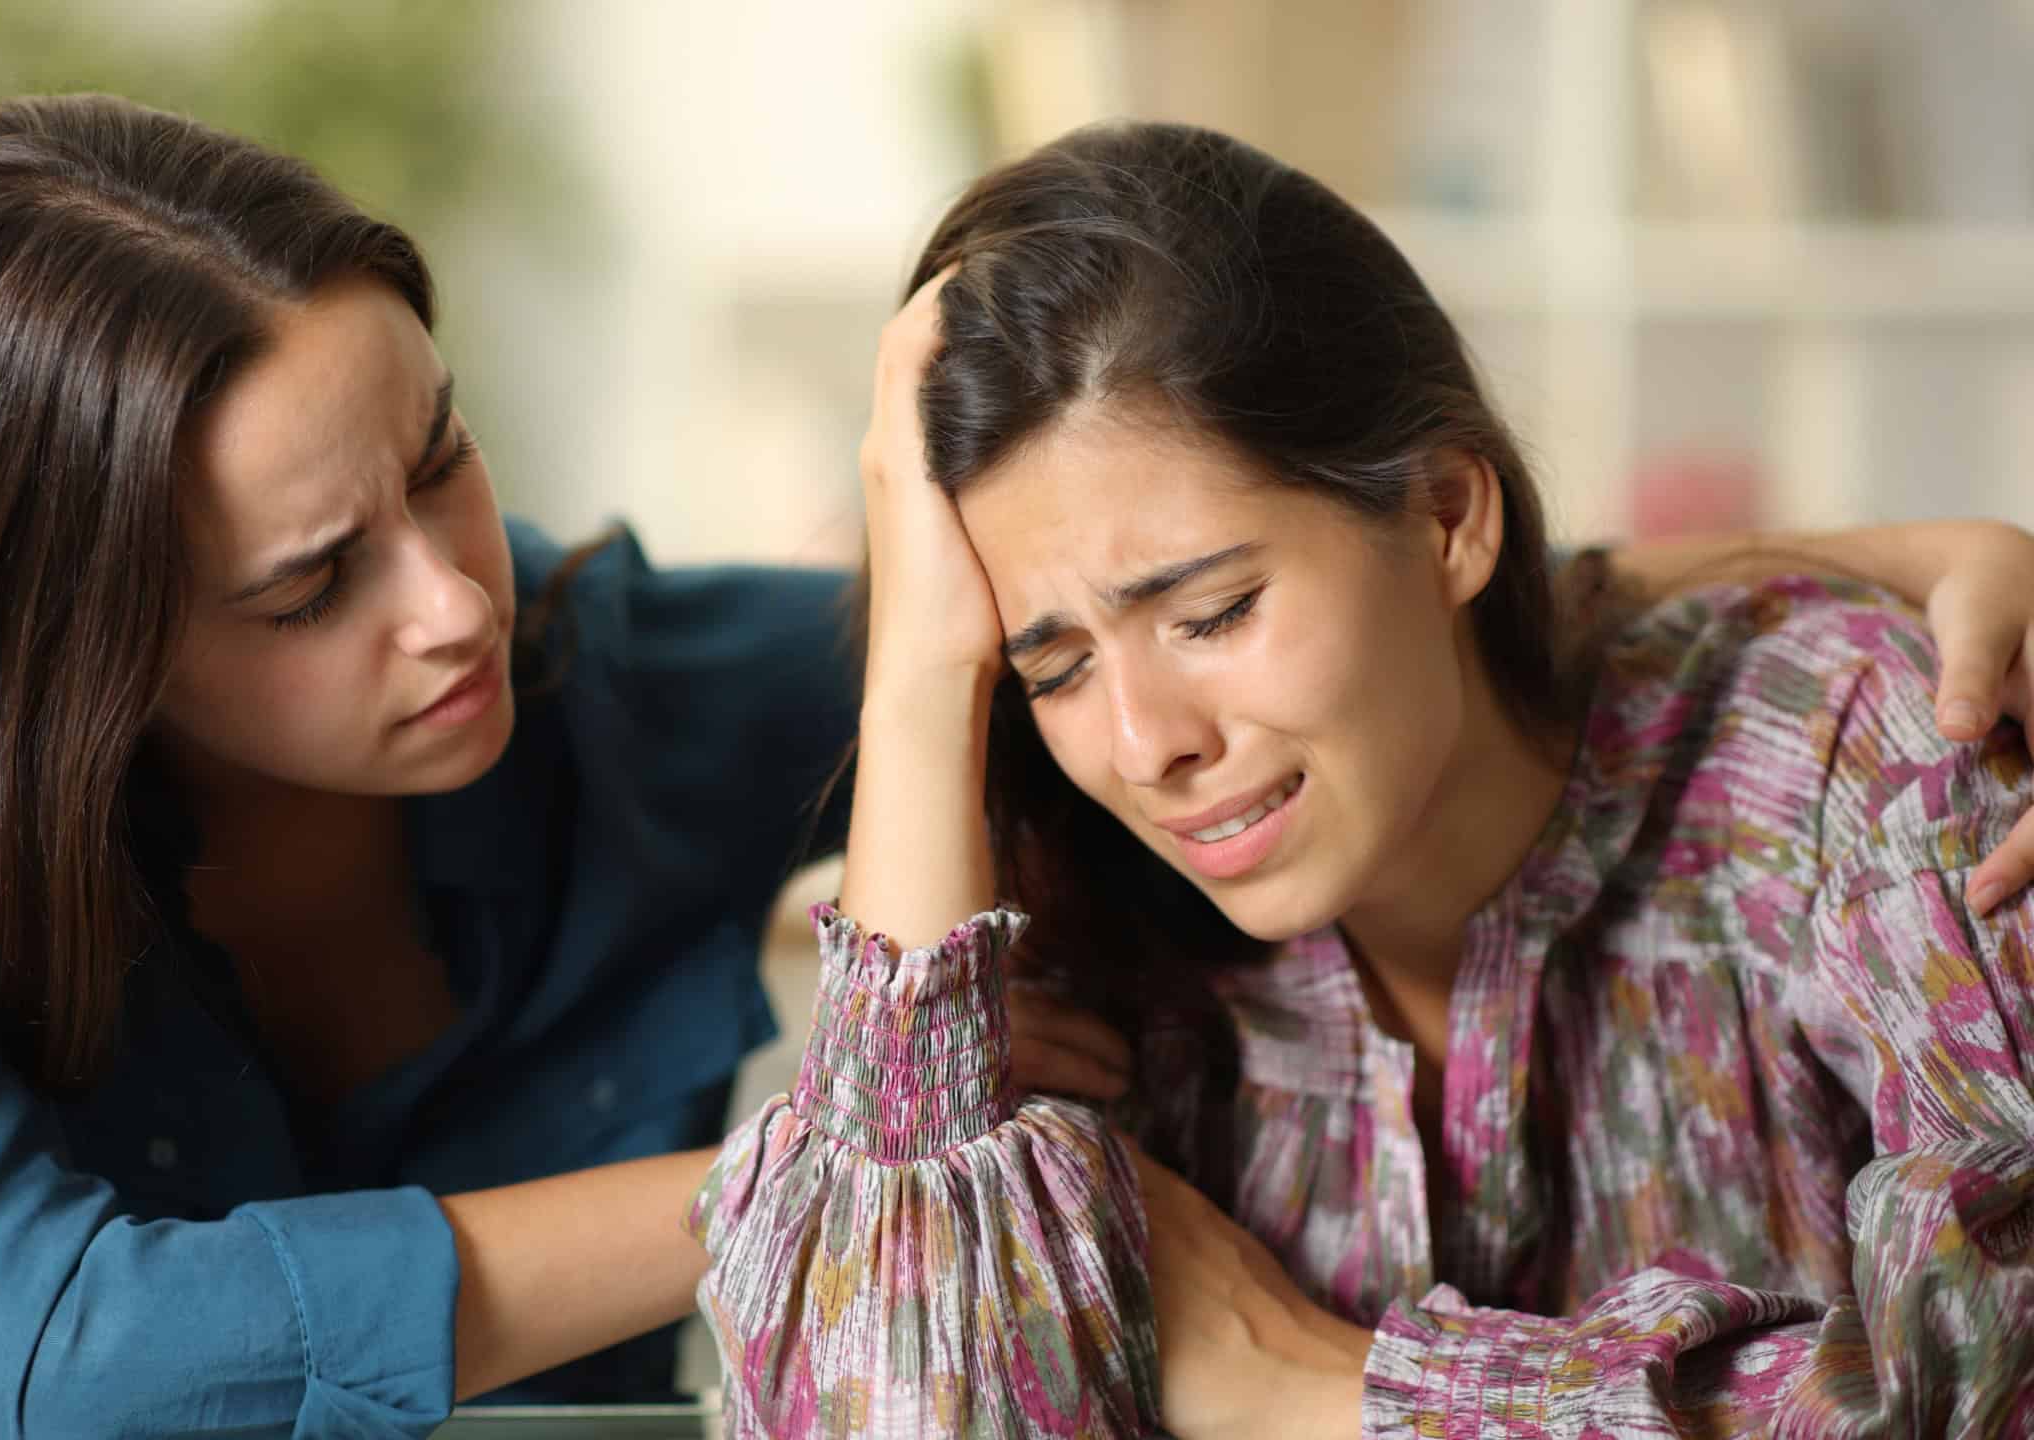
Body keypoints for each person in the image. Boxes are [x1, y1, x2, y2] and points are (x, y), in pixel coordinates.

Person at [0, 97, 2034, 1438]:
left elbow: (1257, 563)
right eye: (304, 585)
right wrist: (814, 1184)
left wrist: (1803, 571)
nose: (460, 598)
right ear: (71, 664)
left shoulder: (610, 682)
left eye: (445, 465)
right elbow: (65, 1364)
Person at [693, 121, 2034, 1438]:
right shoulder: (1066, 949)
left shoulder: (1845, 759)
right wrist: (923, 685)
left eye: (1212, 612)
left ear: (1447, 516)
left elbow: (1997, 1379)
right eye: (1050, 669)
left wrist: (1316, 1387)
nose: (1148, 742)